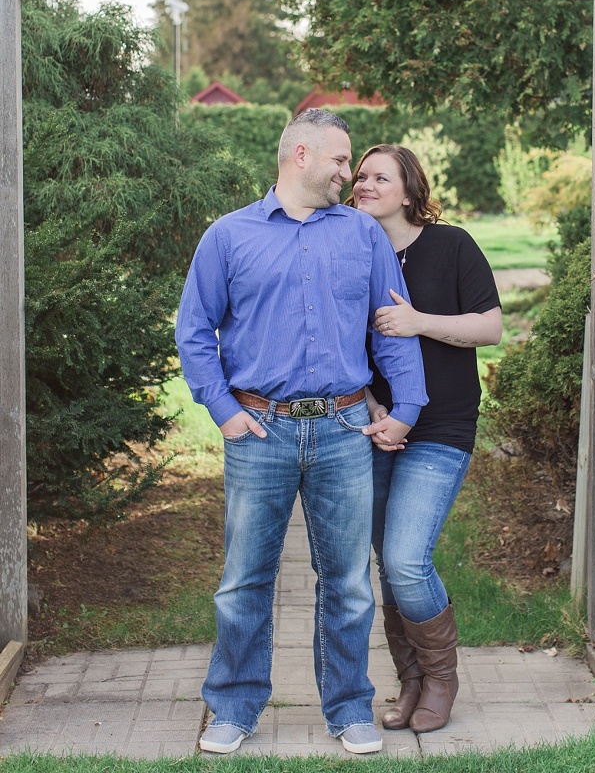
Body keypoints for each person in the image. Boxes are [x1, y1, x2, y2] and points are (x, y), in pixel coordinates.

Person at [175, 111, 427, 756]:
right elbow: (195, 332)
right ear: (301, 155)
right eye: (342, 161)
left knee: (346, 580)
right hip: (259, 430)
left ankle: (349, 710)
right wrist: (224, 410)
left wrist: (407, 405)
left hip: (345, 428)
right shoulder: (229, 237)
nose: (352, 175)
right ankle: (232, 707)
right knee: (244, 581)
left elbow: (389, 325)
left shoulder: (362, 237)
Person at [351, 144, 502, 734]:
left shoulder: (452, 245)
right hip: (376, 426)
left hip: (442, 428)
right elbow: (344, 347)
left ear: (410, 191)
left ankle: (441, 678)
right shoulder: (352, 252)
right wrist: (374, 410)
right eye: (359, 176)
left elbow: (489, 327)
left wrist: (418, 322)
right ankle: (410, 682)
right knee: (388, 564)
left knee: (408, 561)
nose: (362, 184)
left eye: (378, 177)